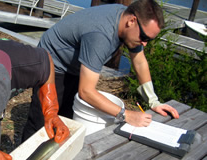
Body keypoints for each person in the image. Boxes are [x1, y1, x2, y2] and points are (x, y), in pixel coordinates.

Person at [22, 0, 180, 140]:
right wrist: (127, 115)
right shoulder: (100, 36)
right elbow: (86, 92)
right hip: (52, 61)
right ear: (132, 21)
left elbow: (139, 61)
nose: (145, 44)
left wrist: (153, 101)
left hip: (74, 64)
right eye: (145, 37)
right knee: (42, 122)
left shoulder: (125, 17)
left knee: (66, 117)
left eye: (149, 40)